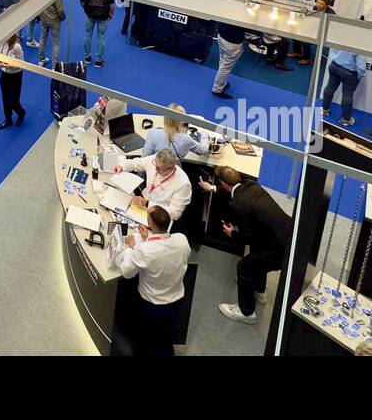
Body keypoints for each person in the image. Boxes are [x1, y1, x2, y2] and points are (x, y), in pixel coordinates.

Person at [205, 167, 292, 324]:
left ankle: (246, 312)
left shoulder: (237, 205)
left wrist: (233, 233)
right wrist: (212, 187)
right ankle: (259, 290)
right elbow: (231, 189)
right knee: (257, 255)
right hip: (286, 234)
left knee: (244, 267)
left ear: (223, 183)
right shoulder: (251, 185)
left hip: (279, 248)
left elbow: (246, 237)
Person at [116, 204, 192, 356]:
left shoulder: (145, 250)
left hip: (152, 304)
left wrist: (131, 247)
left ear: (150, 224)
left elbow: (127, 272)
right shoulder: (182, 240)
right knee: (165, 337)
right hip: (176, 300)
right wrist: (148, 239)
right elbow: (164, 249)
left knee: (148, 342)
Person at [114, 147, 193, 222]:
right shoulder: (155, 160)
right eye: (155, 165)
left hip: (159, 215)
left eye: (159, 168)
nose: (155, 169)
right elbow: (135, 163)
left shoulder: (183, 184)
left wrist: (148, 204)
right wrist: (122, 166)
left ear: (171, 168)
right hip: (143, 201)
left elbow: (175, 213)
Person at [211, 0, 247, 98]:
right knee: (225, 67)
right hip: (232, 43)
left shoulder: (228, 7)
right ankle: (217, 89)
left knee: (222, 62)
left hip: (221, 36)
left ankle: (221, 83)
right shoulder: (243, 14)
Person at [141, 103, 210, 158]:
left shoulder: (153, 133)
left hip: (153, 172)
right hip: (174, 174)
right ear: (181, 120)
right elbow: (203, 150)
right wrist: (204, 135)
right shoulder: (186, 139)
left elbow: (144, 158)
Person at [322, 47, 366, 126]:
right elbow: (362, 67)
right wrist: (358, 78)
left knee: (329, 88)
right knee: (347, 95)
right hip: (349, 72)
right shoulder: (359, 43)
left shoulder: (341, 36)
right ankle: (345, 119)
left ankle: (324, 110)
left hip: (334, 65)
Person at [0, 32, 26, 129]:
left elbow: (21, 64)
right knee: (5, 98)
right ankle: (8, 119)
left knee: (13, 100)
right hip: (4, 74)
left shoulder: (17, 47)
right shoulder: (2, 43)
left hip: (15, 76)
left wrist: (6, 65)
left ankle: (21, 112)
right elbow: (0, 56)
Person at [35, 0, 65, 69]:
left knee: (43, 38)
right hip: (55, 20)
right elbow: (60, 9)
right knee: (56, 42)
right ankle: (54, 66)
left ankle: (41, 59)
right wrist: (62, 17)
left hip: (43, 18)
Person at [80, 0, 113, 68]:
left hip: (90, 14)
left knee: (88, 34)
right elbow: (111, 4)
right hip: (103, 15)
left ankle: (87, 58)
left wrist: (87, 10)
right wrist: (111, 14)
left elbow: (82, 1)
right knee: (101, 37)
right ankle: (98, 61)